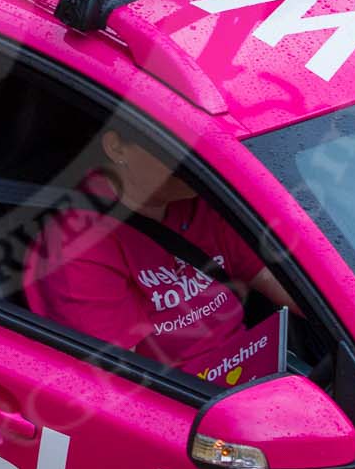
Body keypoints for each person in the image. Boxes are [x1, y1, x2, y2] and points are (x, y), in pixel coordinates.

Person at [24, 124, 297, 375]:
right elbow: (119, 384)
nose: (196, 163)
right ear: (116, 147)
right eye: (172, 146)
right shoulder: (78, 245)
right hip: (184, 404)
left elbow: (286, 282)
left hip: (250, 371)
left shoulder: (201, 198)